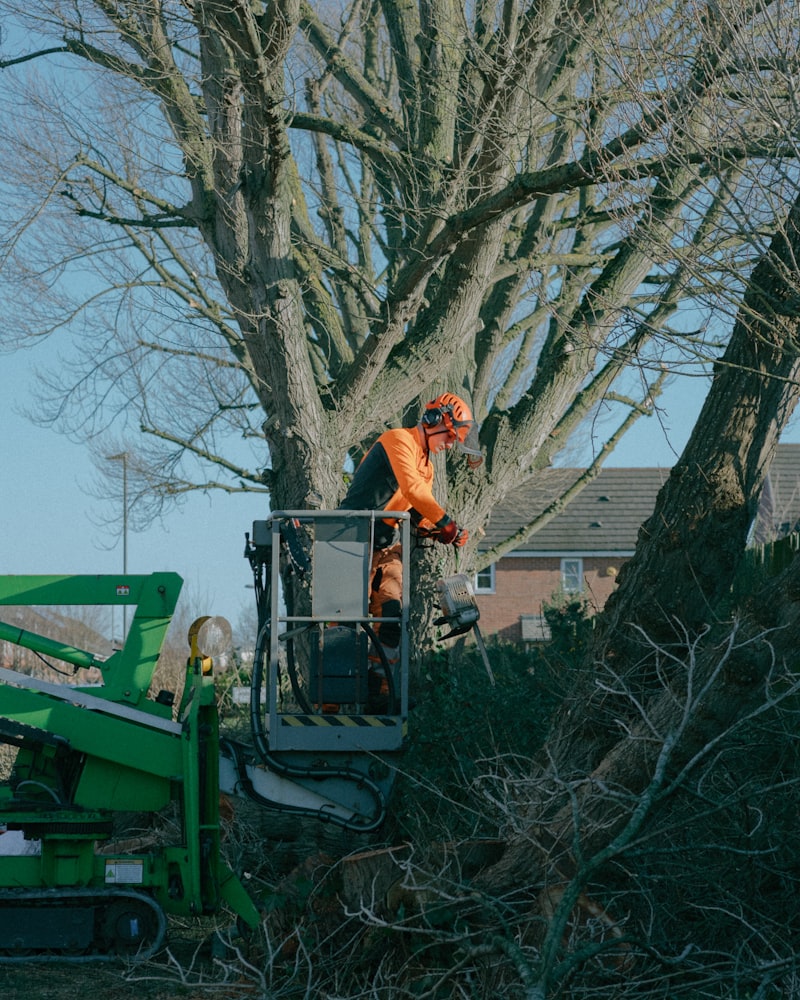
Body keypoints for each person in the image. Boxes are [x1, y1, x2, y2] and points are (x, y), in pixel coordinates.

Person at [339, 392, 483, 702]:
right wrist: (446, 521)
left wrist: (441, 532)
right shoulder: (398, 440)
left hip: (385, 545)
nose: (448, 445)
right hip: (350, 539)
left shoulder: (427, 468)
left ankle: (380, 693)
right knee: (345, 621)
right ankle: (335, 701)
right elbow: (412, 490)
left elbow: (417, 513)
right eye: (449, 436)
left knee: (391, 615)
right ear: (434, 421)